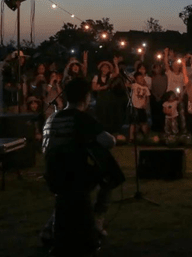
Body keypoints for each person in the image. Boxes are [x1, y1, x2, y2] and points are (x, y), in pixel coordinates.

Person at [41, 77, 117, 257]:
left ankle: (48, 229)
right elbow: (109, 141)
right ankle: (98, 220)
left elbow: (45, 148)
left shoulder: (52, 118)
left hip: (53, 176)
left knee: (66, 200)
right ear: (86, 97)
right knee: (111, 173)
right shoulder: (82, 118)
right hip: (75, 177)